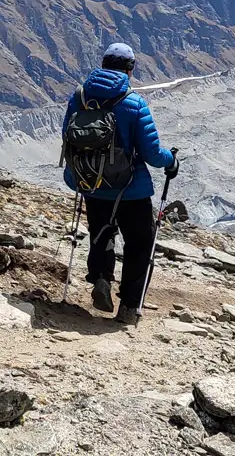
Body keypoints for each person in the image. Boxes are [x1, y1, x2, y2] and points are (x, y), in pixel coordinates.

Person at [62, 43, 178, 324]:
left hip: (90, 181)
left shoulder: (79, 97)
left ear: (102, 64)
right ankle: (128, 307)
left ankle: (101, 277)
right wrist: (171, 161)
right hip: (130, 188)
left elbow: (68, 136)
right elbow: (151, 153)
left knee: (101, 233)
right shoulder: (133, 102)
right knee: (140, 243)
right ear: (130, 68)